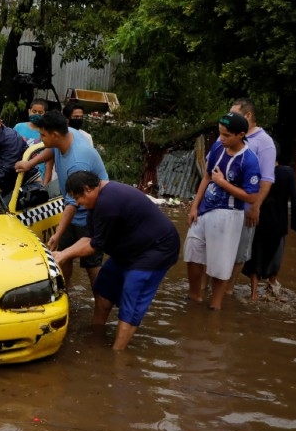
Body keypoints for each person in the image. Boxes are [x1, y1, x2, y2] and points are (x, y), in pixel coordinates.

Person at [53, 171, 180, 350]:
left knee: (131, 299)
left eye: (78, 199)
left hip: (154, 251)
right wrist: (61, 253)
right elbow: (89, 238)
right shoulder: (95, 204)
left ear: (87, 190)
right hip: (128, 250)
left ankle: (116, 357)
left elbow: (93, 246)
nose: (78, 204)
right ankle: (96, 338)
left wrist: (65, 255)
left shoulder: (108, 203)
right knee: (104, 288)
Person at [15, 110, 110, 315]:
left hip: (91, 214)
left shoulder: (78, 162)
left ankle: (101, 313)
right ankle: (63, 297)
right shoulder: (66, 135)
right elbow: (52, 150)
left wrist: (57, 234)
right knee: (63, 257)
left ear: (55, 134)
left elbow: (71, 204)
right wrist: (30, 163)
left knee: (92, 266)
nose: (40, 139)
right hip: (75, 207)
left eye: (42, 135)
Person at [184, 112, 262, 310]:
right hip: (204, 210)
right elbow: (207, 176)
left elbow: (251, 196)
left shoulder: (249, 160)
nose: (221, 138)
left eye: (226, 135)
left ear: (240, 135)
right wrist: (194, 206)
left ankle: (215, 306)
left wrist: (223, 183)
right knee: (192, 253)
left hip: (228, 214)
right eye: (220, 134)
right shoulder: (219, 146)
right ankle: (195, 297)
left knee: (220, 263)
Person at [226, 98, 277, 291]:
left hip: (245, 208)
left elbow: (266, 179)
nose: (230, 119)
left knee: (239, 252)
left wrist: (255, 207)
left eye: (235, 114)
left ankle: (229, 289)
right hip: (221, 205)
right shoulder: (227, 135)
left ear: (248, 116)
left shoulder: (264, 142)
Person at [242, 143, 296, 299]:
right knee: (275, 256)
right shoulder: (287, 172)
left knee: (255, 256)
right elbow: (294, 198)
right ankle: (273, 289)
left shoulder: (258, 172)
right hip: (278, 223)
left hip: (257, 220)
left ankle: (253, 293)